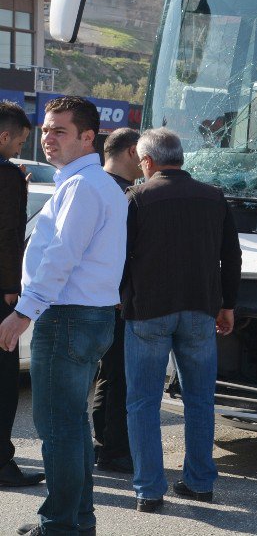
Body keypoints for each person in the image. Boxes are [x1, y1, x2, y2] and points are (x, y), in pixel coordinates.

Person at [0, 96, 127, 536]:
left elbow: (61, 257)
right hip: (85, 316)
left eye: (60, 131)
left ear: (88, 137)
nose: (47, 139)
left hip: (70, 316)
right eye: (46, 129)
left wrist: (22, 312)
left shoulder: (84, 186)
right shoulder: (93, 183)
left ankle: (59, 525)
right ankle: (76, 521)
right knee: (69, 427)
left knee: (58, 429)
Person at [123, 127, 241, 513]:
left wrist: (124, 302)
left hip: (148, 312)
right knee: (200, 400)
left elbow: (121, 257)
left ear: (147, 161)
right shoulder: (213, 196)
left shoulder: (138, 197)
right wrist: (228, 304)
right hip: (201, 309)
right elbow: (232, 256)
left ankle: (149, 491)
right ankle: (200, 483)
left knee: (143, 402)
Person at [92, 127, 142, 474]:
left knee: (108, 376)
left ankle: (103, 446)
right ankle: (114, 452)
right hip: (118, 300)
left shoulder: (93, 185)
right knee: (119, 376)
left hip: (100, 298)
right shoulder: (123, 194)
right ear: (132, 151)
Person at [0, 101, 44, 489]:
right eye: (19, 141)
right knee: (3, 382)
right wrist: (14, 288)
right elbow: (11, 235)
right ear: (4, 135)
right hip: (0, 290)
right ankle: (1, 464)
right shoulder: (9, 176)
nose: (19, 150)